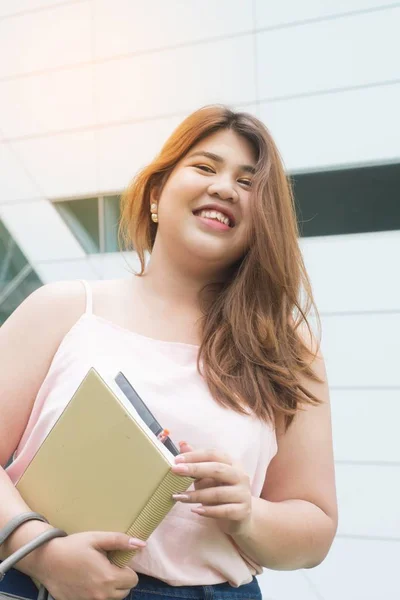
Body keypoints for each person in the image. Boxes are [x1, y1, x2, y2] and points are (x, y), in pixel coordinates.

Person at [0, 105, 337, 600]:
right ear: (157, 194)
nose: (224, 187)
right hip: (52, 585)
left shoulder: (286, 348)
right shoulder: (64, 310)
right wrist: (40, 552)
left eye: (248, 183)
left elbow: (314, 532)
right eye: (205, 167)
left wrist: (248, 512)